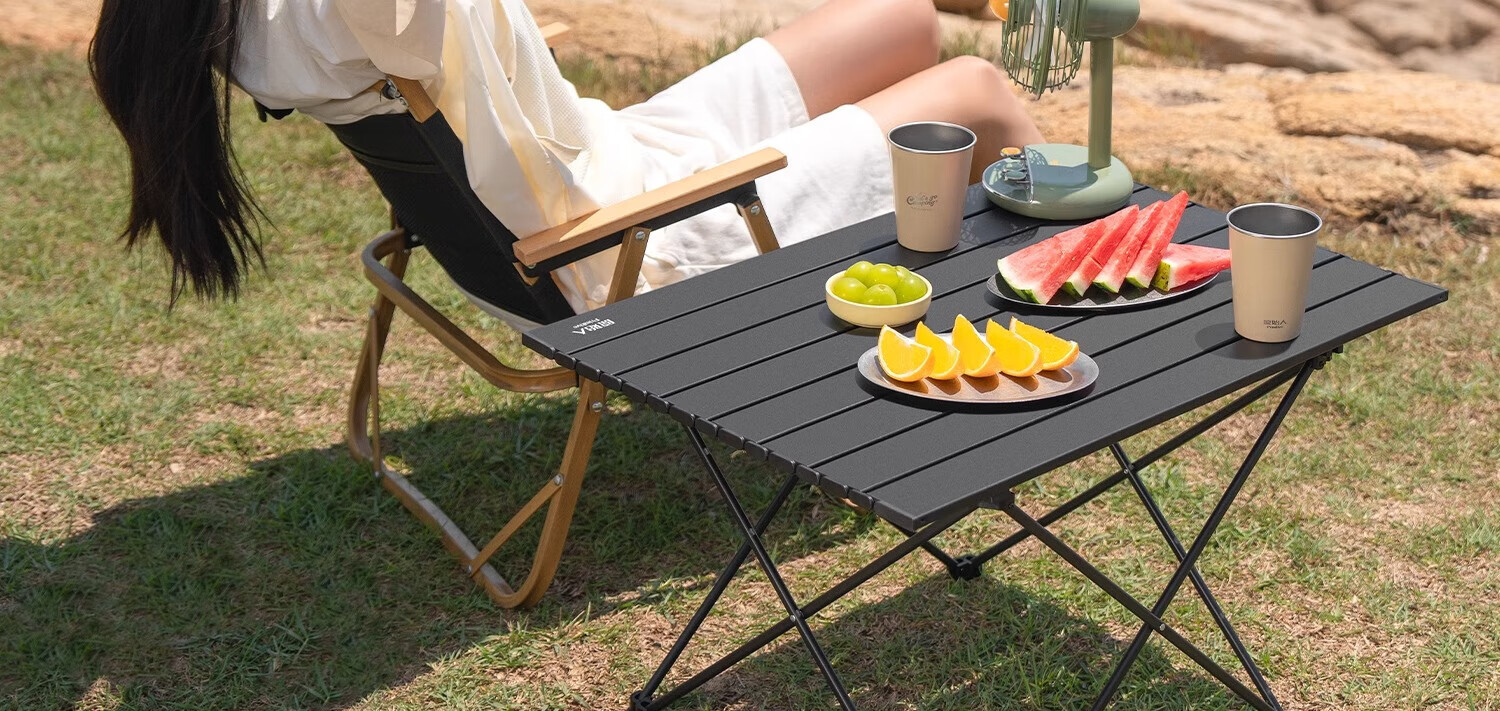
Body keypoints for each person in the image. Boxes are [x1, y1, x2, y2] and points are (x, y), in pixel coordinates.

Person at [91, 0, 1040, 310]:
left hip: (599, 158)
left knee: (903, 18)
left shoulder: (249, 22)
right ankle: (1087, 321)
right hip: (623, 245)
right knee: (978, 92)